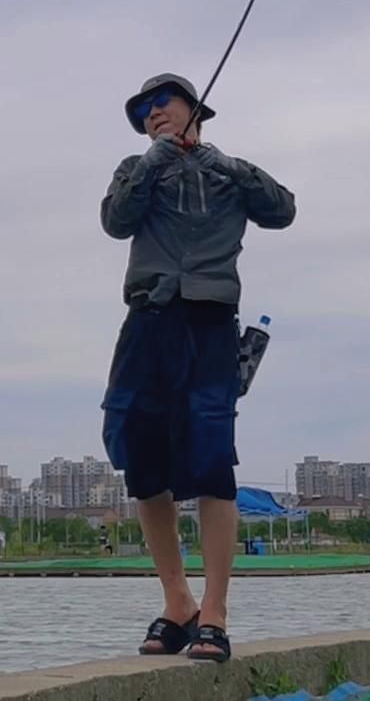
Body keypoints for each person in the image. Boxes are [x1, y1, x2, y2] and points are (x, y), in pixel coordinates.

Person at [99, 72, 295, 663]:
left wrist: (226, 164)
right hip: (148, 319)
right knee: (138, 452)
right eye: (143, 112)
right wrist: (156, 156)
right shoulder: (137, 169)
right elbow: (116, 220)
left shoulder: (230, 174)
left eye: (163, 103)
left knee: (211, 458)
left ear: (195, 109)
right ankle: (176, 600)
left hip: (210, 322)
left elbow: (282, 210)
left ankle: (215, 612)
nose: (152, 113)